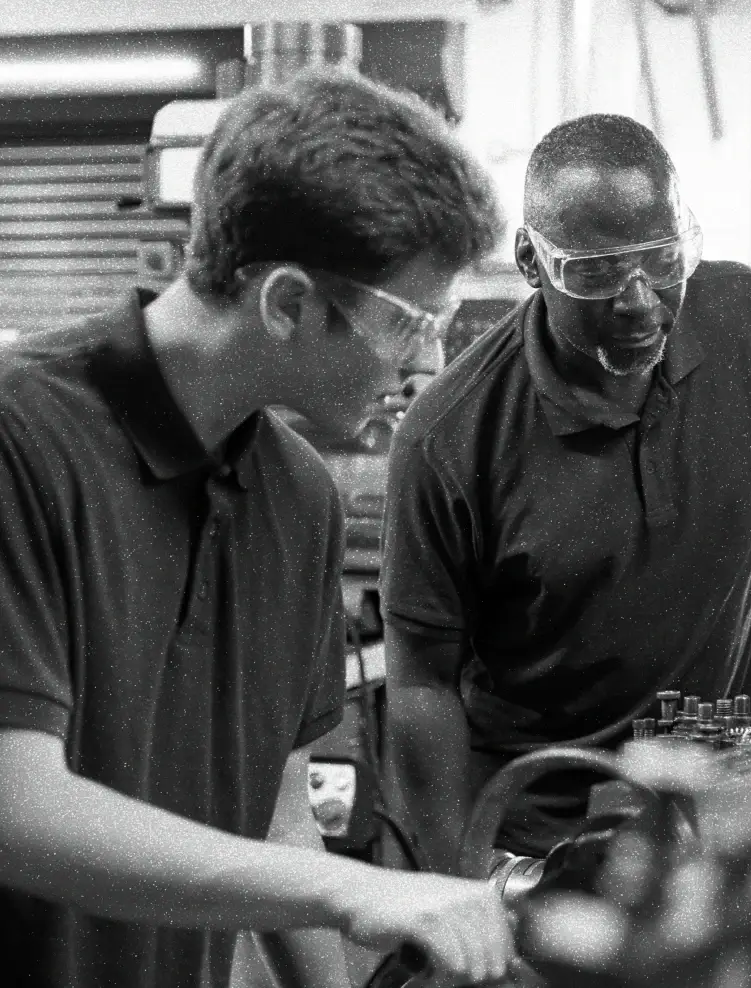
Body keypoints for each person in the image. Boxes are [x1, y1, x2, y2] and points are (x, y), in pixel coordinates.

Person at [0, 67, 514, 988]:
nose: (432, 359)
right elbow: (16, 812)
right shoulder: (22, 440)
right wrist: (344, 891)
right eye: (412, 322)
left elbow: (277, 808)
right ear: (285, 303)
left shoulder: (298, 495)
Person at [380, 113, 751, 874]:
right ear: (530, 259)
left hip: (720, 807)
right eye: (595, 271)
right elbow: (421, 683)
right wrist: (457, 873)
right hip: (539, 834)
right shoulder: (448, 439)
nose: (639, 302)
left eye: (662, 259)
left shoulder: (746, 320)